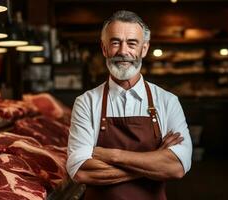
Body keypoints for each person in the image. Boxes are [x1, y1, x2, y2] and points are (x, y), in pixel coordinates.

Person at [67, 10, 192, 200]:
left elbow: (176, 167)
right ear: (104, 48)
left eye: (132, 43)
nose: (123, 51)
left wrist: (113, 156)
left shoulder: (168, 101)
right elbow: (82, 172)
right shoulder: (86, 102)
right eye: (115, 42)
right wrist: (155, 159)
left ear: (144, 49)